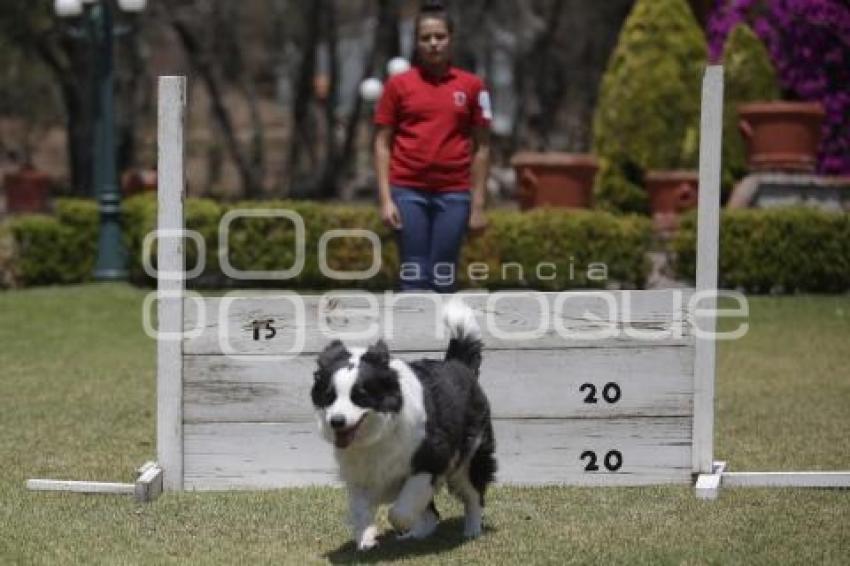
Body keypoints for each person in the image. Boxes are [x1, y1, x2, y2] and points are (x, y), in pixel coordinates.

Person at [374, 0, 491, 293]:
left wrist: (477, 206)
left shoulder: (473, 86)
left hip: (453, 194)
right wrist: (386, 200)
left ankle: (445, 339)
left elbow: (482, 148)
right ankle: (413, 338)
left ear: (451, 39)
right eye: (426, 38)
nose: (433, 44)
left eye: (440, 37)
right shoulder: (399, 86)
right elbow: (382, 144)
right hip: (407, 191)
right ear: (416, 43)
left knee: (443, 275)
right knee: (414, 275)